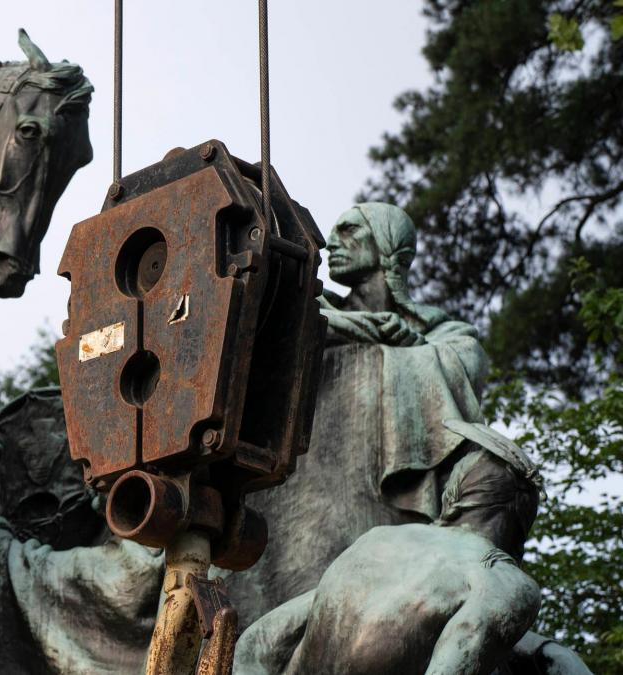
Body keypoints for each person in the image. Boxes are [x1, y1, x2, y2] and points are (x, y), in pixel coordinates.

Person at [230, 202, 492, 621]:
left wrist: (388, 346)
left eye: (350, 231)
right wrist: (362, 331)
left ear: (389, 246)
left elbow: (464, 363)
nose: (332, 243)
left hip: (382, 505)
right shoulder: (310, 309)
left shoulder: (442, 333)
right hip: (299, 494)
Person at [234, 444, 546, 675]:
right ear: (521, 519)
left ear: (455, 494)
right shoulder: (504, 583)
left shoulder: (378, 539)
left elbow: (255, 644)